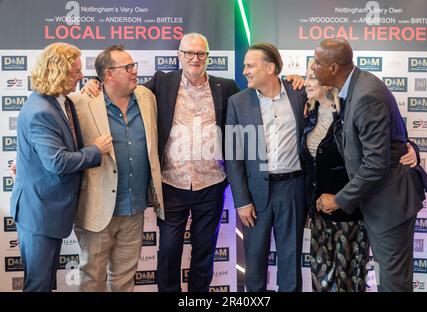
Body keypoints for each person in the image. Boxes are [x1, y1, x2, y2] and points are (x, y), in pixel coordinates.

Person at [81, 33, 304, 292]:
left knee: (204, 254)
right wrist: (94, 83)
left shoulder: (227, 88)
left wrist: (292, 79)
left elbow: (263, 95)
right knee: (168, 253)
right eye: (189, 53)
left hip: (210, 185)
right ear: (179, 56)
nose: (195, 59)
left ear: (208, 57)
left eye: (201, 54)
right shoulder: (162, 82)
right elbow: (122, 87)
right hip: (172, 184)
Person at [313, 38, 427, 292]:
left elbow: (376, 164)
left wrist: (338, 200)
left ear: (334, 68)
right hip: (379, 201)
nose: (313, 68)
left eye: (317, 63)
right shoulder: (353, 87)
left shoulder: (366, 94)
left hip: (390, 204)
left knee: (394, 284)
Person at [9, 42, 112, 292]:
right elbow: (57, 161)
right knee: (39, 283)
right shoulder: (41, 111)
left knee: (43, 280)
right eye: (75, 71)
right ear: (58, 72)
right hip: (39, 212)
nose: (80, 75)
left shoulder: (57, 101)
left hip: (47, 209)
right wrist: (95, 151)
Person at [69, 45, 164, 292]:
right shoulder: (80, 102)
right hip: (96, 211)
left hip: (134, 209)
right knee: (92, 279)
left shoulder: (146, 98)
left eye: (134, 66)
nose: (135, 71)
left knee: (124, 280)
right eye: (128, 67)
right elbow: (62, 148)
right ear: (108, 74)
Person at [225, 42, 307, 292]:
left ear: (270, 67)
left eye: (250, 65)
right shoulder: (237, 102)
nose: (245, 71)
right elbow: (233, 155)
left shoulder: (299, 93)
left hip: (293, 190)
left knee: (291, 263)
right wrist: (241, 201)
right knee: (255, 263)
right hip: (255, 194)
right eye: (244, 66)